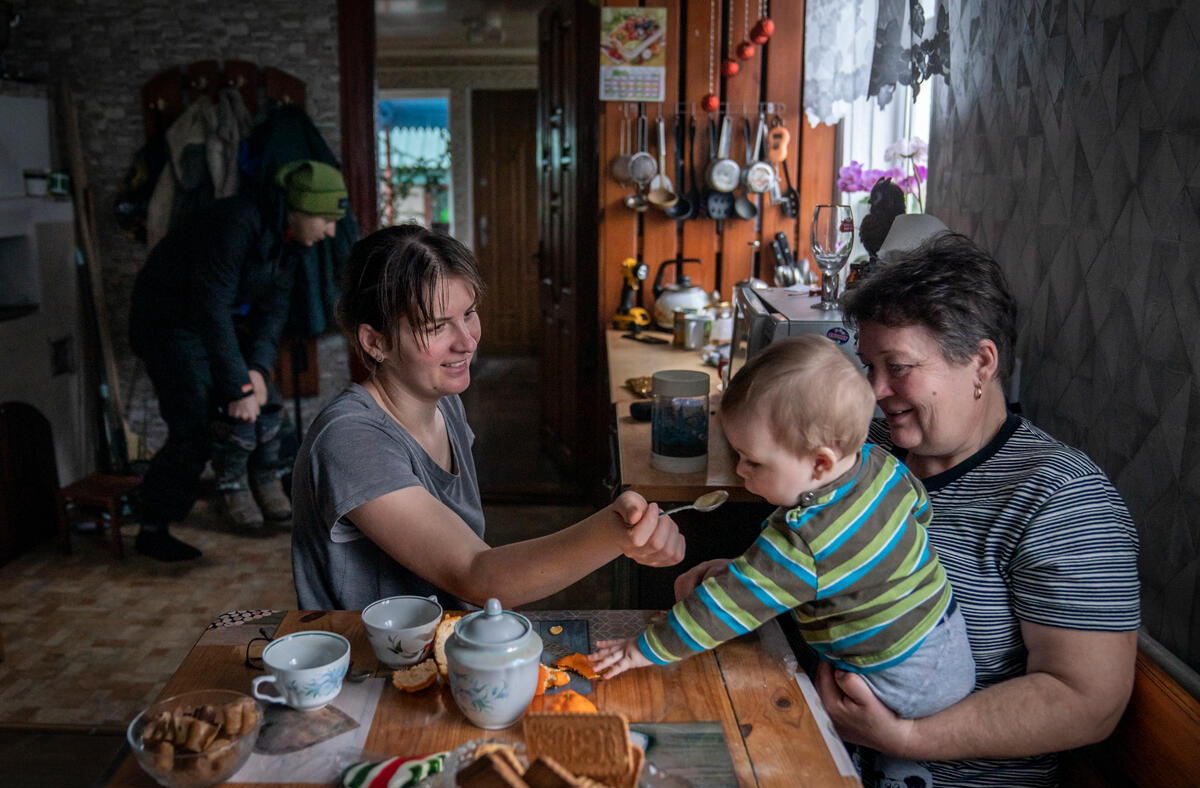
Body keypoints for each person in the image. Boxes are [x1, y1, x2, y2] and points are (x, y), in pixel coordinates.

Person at [797, 231, 1136, 788]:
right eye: (867, 366)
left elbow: (1086, 701)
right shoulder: (867, 451)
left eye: (897, 366)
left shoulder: (1061, 500)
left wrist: (905, 736)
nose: (874, 390)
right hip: (810, 762)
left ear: (980, 363)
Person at [289, 224, 684, 611]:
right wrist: (612, 532)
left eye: (469, 314)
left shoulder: (444, 403)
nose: (467, 341)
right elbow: (475, 574)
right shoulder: (349, 440)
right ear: (375, 342)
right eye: (437, 326)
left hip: (444, 647)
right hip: (372, 667)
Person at [589, 335, 976, 724]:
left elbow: (725, 606)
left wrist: (642, 649)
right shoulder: (881, 465)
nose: (740, 471)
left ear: (820, 465)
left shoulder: (803, 541)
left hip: (896, 672)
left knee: (873, 759)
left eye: (752, 461)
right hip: (947, 632)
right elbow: (921, 513)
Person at [130, 159, 348, 561]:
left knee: (265, 398)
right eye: (325, 219)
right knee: (193, 422)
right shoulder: (236, 223)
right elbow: (210, 306)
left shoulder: (291, 242)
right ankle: (152, 525)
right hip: (168, 323)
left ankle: (261, 483)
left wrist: (257, 371)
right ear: (298, 210)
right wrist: (238, 386)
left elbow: (273, 313)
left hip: (216, 322)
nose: (330, 230)